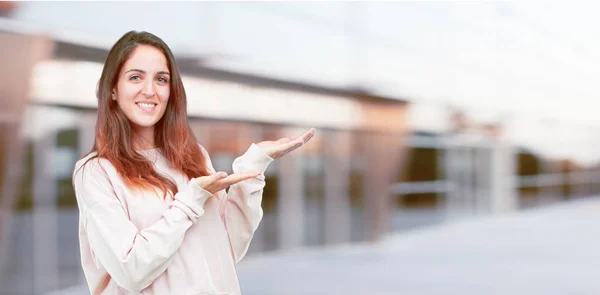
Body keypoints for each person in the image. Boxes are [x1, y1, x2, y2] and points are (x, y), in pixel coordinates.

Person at [72, 30, 315, 295]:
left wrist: (253, 166)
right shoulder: (95, 171)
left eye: (161, 79)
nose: (150, 90)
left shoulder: (193, 156)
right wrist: (190, 202)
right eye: (135, 77)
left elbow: (226, 249)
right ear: (113, 90)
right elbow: (131, 271)